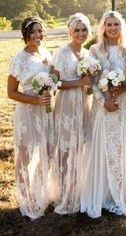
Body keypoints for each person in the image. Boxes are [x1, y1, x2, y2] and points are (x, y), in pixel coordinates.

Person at [80, 11, 126, 218]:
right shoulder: (94, 50)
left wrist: (121, 90)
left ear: (121, 28)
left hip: (121, 106)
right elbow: (91, 81)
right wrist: (105, 100)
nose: (112, 28)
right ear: (103, 28)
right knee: (101, 146)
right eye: (108, 25)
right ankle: (100, 193)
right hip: (101, 107)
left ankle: (119, 191)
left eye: (116, 25)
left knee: (119, 147)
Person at [7, 17, 53, 219]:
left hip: (47, 111)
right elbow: (11, 93)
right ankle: (26, 198)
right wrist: (34, 101)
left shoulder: (46, 54)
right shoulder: (19, 59)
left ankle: (40, 192)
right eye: (33, 32)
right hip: (28, 112)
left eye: (40, 31)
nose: (38, 35)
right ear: (26, 35)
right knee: (26, 156)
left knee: (47, 152)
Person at [51, 13, 92, 214]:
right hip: (66, 104)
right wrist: (80, 83)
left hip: (83, 103)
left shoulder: (88, 54)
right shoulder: (61, 53)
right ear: (70, 31)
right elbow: (55, 83)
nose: (81, 33)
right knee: (65, 147)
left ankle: (77, 188)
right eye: (77, 30)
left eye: (84, 30)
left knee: (79, 145)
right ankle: (64, 192)